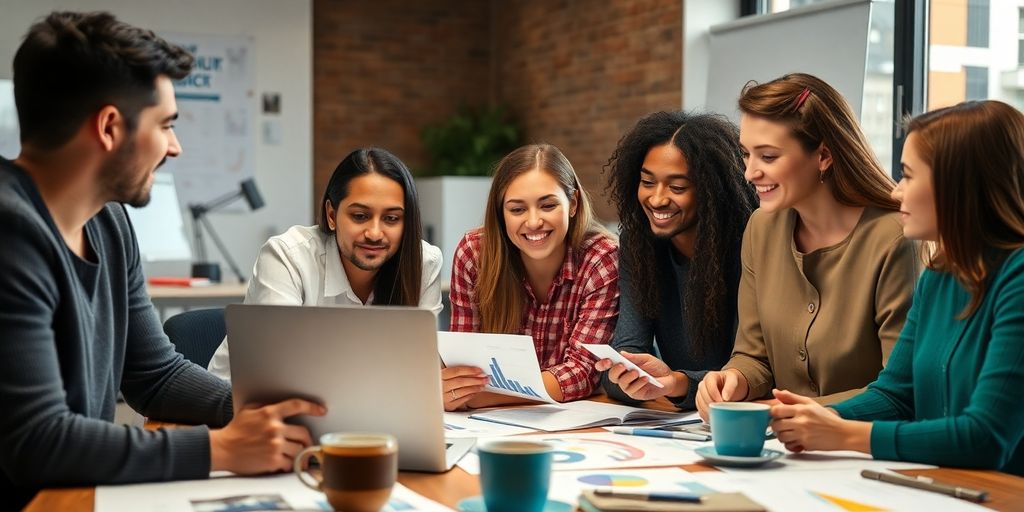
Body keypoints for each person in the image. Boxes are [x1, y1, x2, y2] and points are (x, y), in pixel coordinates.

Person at [0, 12, 324, 509]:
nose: (175, 147)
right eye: (166, 125)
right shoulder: (12, 234)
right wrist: (223, 448)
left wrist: (260, 413)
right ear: (109, 127)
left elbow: (155, 375)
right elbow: (39, 441)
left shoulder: (108, 223)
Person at [769, 100, 1024, 476]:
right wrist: (811, 417)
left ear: (957, 185)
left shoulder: (1017, 277)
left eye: (907, 175)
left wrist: (845, 434)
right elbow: (896, 394)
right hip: (941, 487)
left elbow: (985, 437)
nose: (895, 192)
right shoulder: (938, 276)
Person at [696, 73, 919, 420]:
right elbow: (753, 356)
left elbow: (900, 389)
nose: (749, 173)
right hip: (787, 447)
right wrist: (733, 380)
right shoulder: (761, 228)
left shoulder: (894, 238)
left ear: (824, 156)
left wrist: (780, 411)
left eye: (768, 157)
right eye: (746, 155)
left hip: (865, 448)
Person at [207, 147, 443, 379]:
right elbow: (280, 371)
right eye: (360, 216)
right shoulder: (287, 256)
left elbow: (423, 369)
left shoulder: (423, 262)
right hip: (238, 408)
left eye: (391, 219)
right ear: (331, 215)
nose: (374, 233)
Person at [595, 111, 756, 409]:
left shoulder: (749, 246)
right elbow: (625, 351)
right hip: (682, 417)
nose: (657, 199)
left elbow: (751, 371)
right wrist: (629, 375)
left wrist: (677, 383)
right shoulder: (640, 243)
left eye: (677, 187)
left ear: (711, 191)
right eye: (647, 182)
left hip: (742, 414)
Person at [444, 143, 619, 411]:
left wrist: (482, 395)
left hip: (573, 421)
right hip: (487, 424)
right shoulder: (474, 254)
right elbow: (463, 371)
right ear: (501, 213)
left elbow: (584, 372)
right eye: (517, 210)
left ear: (572, 204)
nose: (534, 221)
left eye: (547, 205)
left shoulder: (601, 258)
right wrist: (461, 390)